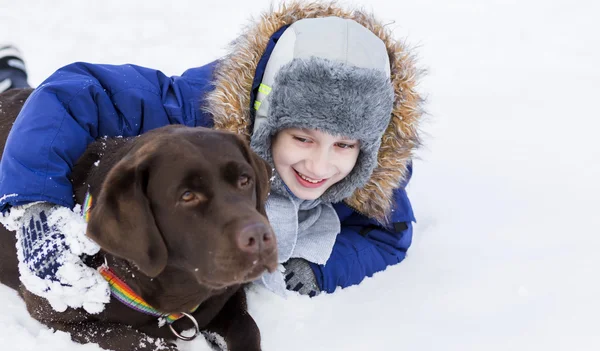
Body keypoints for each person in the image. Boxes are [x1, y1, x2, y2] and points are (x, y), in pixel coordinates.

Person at [0, 2, 422, 312]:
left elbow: (385, 236)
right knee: (20, 101)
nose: (319, 166)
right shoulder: (193, 119)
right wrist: (36, 202)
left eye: (344, 145)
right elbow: (70, 95)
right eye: (302, 137)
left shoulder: (370, 176)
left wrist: (321, 271)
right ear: (265, 113)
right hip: (21, 116)